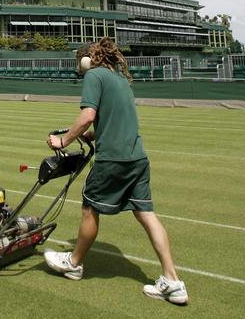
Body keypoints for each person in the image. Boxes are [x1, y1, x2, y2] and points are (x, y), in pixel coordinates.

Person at [43, 38, 188, 305]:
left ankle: (74, 263)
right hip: (137, 158)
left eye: (80, 62)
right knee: (146, 214)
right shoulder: (120, 79)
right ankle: (173, 282)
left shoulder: (94, 76)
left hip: (113, 160)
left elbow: (88, 113)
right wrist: (91, 136)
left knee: (89, 208)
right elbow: (114, 118)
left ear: (87, 60)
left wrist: (63, 141)